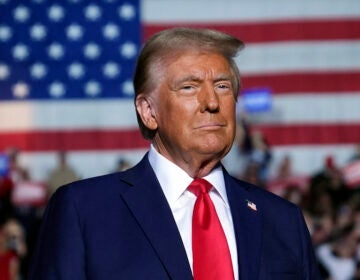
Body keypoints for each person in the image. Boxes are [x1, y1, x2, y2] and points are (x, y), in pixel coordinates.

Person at [29, 28, 321, 279]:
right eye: (189, 87)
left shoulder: (283, 220)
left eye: (222, 86)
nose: (211, 102)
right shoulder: (84, 211)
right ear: (148, 111)